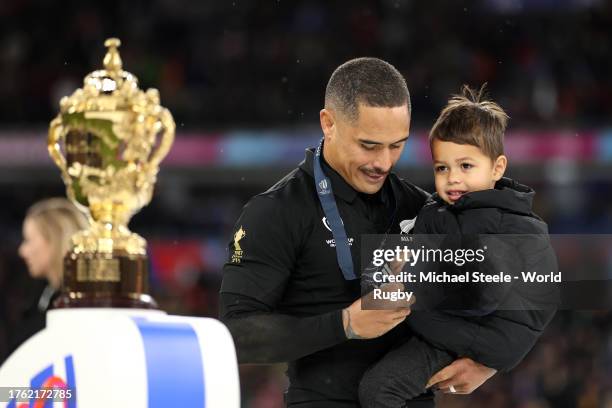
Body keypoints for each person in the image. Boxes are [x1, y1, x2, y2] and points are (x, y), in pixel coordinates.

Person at [220, 58, 502, 407]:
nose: (383, 162)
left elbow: (504, 289)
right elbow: (236, 334)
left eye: (396, 145)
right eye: (369, 145)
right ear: (329, 123)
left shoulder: (422, 209)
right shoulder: (276, 211)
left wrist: (488, 362)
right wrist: (344, 324)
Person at [358, 85, 558, 407]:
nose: (452, 178)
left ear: (497, 168)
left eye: (465, 166)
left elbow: (480, 294)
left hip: (469, 336)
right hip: (447, 329)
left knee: (379, 390)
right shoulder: (441, 209)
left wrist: (408, 277)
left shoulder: (502, 224)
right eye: (442, 168)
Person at [9, 198, 87, 353]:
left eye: (28, 240)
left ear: (55, 239)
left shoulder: (81, 304)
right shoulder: (44, 292)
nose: (22, 251)